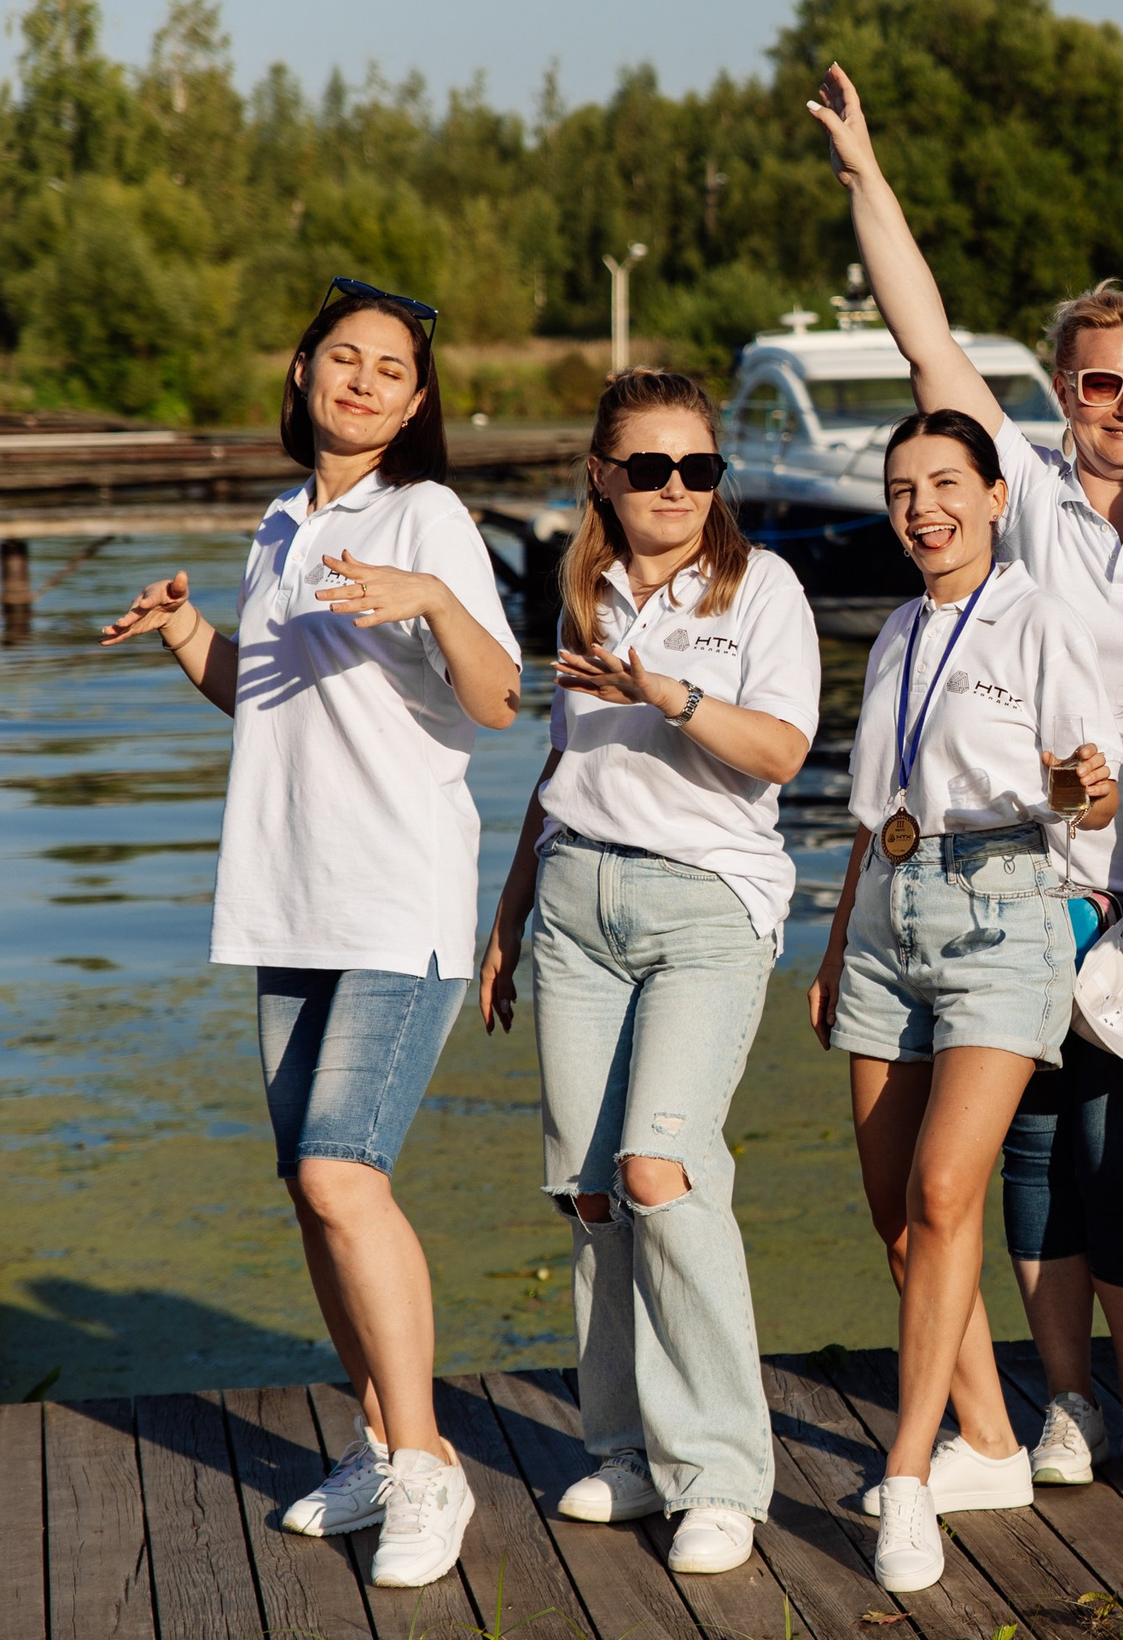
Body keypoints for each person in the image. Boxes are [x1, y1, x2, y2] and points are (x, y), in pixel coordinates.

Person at [808, 61, 1123, 1494]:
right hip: (1026, 875)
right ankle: (1055, 1406)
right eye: (1100, 379)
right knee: (1026, 1151)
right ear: (1061, 391)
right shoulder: (1021, 491)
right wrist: (870, 181)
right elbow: (925, 342)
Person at [98, 279, 521, 1589]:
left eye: (390, 369)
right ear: (301, 371)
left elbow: (500, 696)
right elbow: (268, 698)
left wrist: (435, 601)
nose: (362, 380)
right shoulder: (282, 519)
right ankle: (380, 1438)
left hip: (398, 895)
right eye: (344, 357)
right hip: (289, 895)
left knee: (345, 1173)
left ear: (416, 401)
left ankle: (431, 1463)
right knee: (310, 1190)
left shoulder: (427, 514)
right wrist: (185, 634)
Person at [478, 369, 818, 1575]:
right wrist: (511, 908)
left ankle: (720, 1472)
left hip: (705, 908)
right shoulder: (583, 587)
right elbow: (560, 771)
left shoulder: (759, 587)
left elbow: (779, 749)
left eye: (698, 467)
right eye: (649, 468)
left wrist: (662, 688)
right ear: (601, 478)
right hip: (574, 901)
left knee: (661, 1165)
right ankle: (622, 1447)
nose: (675, 489)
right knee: (590, 1190)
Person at [808, 408, 1117, 1594]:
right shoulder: (893, 629)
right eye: (899, 488)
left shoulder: (1042, 617)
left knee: (947, 1191)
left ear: (997, 495)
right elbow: (867, 814)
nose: (920, 506)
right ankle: (988, 1440)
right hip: (886, 911)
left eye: (945, 482)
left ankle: (903, 1475)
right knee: (895, 1210)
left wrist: (1078, 790)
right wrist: (838, 944)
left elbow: (1087, 792)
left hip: (1001, 910)